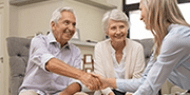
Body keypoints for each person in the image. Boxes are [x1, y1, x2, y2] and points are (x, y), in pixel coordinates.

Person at [95, 0, 190, 95]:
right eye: (113, 28)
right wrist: (109, 82)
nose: (140, 17)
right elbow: (144, 81)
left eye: (141, 9)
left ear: (152, 9)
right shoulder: (161, 42)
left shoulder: (176, 38)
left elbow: (150, 86)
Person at [18, 7, 101, 95]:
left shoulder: (75, 51)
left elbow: (77, 82)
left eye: (74, 24)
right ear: (53, 25)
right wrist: (83, 75)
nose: (72, 28)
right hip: (35, 91)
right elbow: (49, 63)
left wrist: (63, 94)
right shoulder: (39, 41)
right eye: (67, 23)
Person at [93, 9, 145, 95]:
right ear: (107, 31)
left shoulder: (137, 48)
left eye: (121, 27)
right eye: (113, 28)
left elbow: (137, 78)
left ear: (127, 28)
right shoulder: (99, 47)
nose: (118, 32)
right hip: (106, 93)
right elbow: (100, 78)